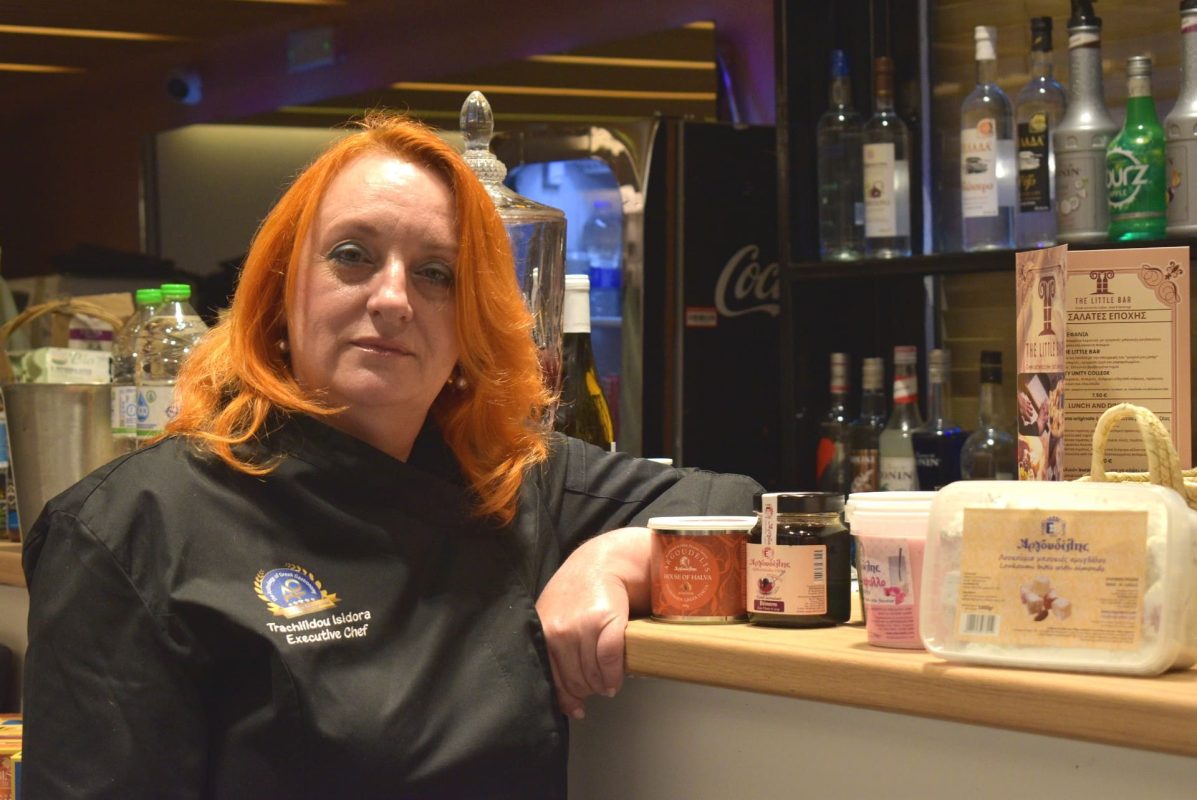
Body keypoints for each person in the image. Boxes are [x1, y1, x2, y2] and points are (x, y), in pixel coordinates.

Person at [22, 113, 760, 799]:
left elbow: (749, 509)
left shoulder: (509, 479)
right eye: (352, 256)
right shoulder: (131, 528)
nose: (394, 299)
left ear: (469, 322)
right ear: (282, 289)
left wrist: (614, 559)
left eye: (436, 273)